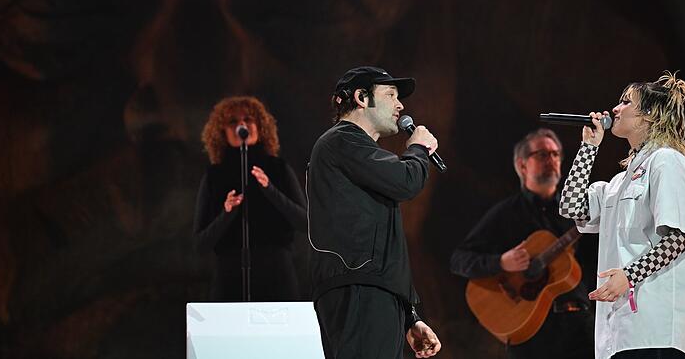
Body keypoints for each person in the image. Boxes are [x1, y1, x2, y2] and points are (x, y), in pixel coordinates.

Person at [559, 72, 685, 359]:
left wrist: (628, 276)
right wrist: (588, 148)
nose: (615, 109)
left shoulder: (667, 162)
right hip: (620, 332)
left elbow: (679, 237)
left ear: (648, 116)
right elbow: (571, 207)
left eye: (626, 102)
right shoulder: (619, 182)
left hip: (657, 328)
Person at [307, 66, 442, 359]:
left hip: (373, 292)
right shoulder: (341, 141)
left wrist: (409, 315)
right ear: (361, 97)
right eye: (390, 95)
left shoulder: (358, 154)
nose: (400, 105)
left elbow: (383, 240)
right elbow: (406, 181)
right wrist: (418, 149)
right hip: (358, 290)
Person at [450, 128, 596, 359]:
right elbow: (459, 260)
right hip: (531, 336)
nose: (551, 160)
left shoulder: (577, 211)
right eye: (542, 154)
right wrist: (501, 262)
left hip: (579, 328)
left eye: (556, 154)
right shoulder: (505, 214)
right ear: (522, 165)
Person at [193, 96, 307, 301]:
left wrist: (270, 190)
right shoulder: (214, 176)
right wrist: (226, 213)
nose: (242, 125)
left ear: (260, 126)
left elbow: (305, 223)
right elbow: (201, 244)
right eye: (233, 121)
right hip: (230, 275)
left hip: (276, 274)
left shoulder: (278, 168)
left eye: (248, 119)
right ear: (222, 132)